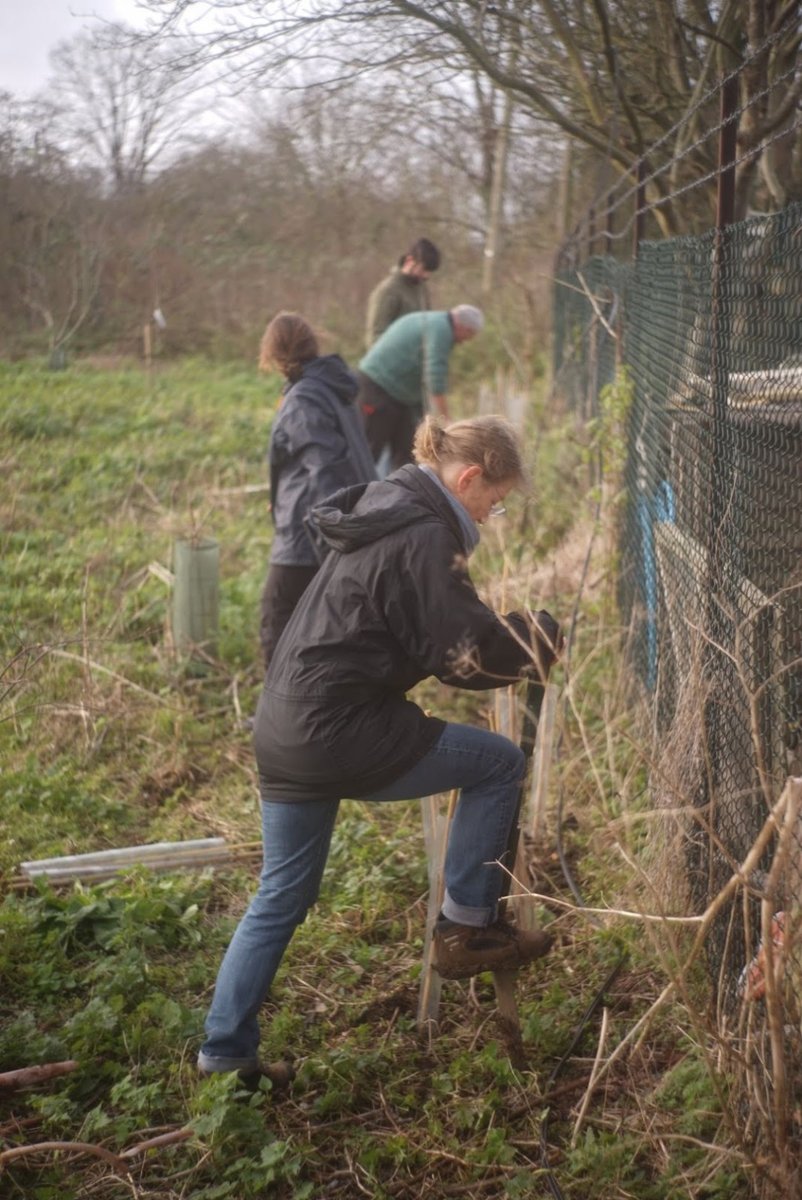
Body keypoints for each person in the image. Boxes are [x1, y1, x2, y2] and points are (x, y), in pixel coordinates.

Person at [198, 414, 562, 1081]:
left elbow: (434, 633)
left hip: (284, 724)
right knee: (498, 763)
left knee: (280, 894)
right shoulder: (423, 536)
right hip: (338, 729)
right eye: (495, 500)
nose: (492, 513)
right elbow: (463, 654)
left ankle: (224, 1054)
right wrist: (536, 637)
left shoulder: (385, 508)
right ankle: (465, 928)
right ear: (470, 476)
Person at [258, 312, 376, 670]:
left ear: (273, 354)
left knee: (277, 619)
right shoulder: (332, 388)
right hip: (331, 521)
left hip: (307, 533)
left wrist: (335, 536)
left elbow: (327, 470)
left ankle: (276, 718)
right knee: (320, 626)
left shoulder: (303, 399)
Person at [358, 305, 484, 473]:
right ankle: (351, 496)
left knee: (407, 452)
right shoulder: (441, 330)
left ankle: (398, 496)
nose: (464, 342)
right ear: (463, 327)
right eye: (469, 336)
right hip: (377, 387)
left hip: (402, 396)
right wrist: (445, 418)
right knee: (369, 450)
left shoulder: (434, 322)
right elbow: (435, 374)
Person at [365, 236, 441, 348]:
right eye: (423, 269)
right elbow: (375, 337)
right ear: (410, 261)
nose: (426, 275)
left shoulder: (421, 289)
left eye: (429, 272)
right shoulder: (387, 291)